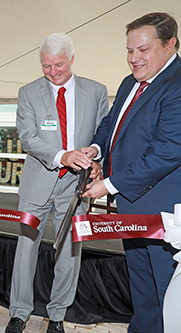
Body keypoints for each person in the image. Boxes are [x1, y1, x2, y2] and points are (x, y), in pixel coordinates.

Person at [81, 12, 181, 333]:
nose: (134, 59)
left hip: (164, 213)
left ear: (170, 45)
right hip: (131, 208)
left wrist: (108, 185)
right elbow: (112, 125)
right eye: (129, 51)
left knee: (168, 292)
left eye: (143, 50)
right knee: (142, 285)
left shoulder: (177, 85)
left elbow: (167, 151)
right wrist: (96, 151)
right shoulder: (129, 83)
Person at [5, 33, 108, 333]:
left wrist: (98, 155)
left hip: (77, 188)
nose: (52, 72)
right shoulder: (28, 92)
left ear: (72, 59)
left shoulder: (97, 91)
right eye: (46, 66)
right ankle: (19, 312)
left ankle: (58, 315)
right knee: (25, 249)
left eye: (58, 65)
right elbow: (27, 138)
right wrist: (62, 156)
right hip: (38, 181)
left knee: (69, 253)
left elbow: (104, 132)